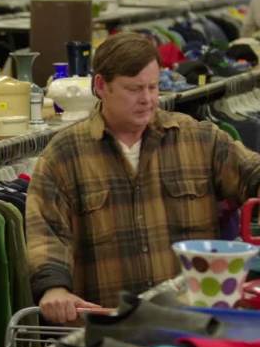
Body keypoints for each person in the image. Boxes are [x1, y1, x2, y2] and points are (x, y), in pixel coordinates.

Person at [27, 32, 260, 323]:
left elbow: (251, 171)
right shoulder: (64, 155)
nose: (147, 99)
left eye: (153, 87)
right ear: (101, 86)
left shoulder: (199, 139)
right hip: (111, 326)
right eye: (134, 89)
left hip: (194, 322)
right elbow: (46, 231)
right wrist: (54, 287)